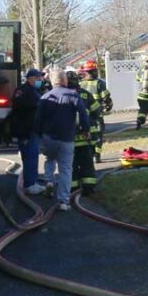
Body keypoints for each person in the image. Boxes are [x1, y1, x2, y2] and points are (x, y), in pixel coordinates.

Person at [33, 68, 90, 212]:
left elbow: (38, 119)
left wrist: (39, 135)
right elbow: (83, 115)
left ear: (52, 82)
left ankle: (49, 181)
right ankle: (64, 201)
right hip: (66, 138)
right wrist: (85, 130)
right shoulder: (73, 95)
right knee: (65, 169)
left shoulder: (45, 97)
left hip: (49, 137)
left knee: (49, 159)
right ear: (65, 81)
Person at [9, 68, 45, 195]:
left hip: (31, 129)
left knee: (32, 156)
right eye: (38, 77)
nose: (40, 80)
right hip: (27, 130)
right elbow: (25, 108)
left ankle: (32, 182)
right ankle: (30, 184)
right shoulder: (24, 91)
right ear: (31, 78)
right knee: (30, 156)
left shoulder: (32, 91)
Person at [68, 70, 99, 194]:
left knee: (71, 165)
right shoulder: (85, 94)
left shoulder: (62, 96)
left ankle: (73, 187)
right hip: (86, 137)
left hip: (70, 139)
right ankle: (89, 188)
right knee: (87, 163)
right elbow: (96, 112)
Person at [80, 59, 112, 161]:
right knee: (98, 134)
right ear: (94, 71)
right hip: (97, 113)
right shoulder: (99, 83)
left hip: (84, 115)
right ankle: (97, 156)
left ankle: (89, 155)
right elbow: (106, 97)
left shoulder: (80, 84)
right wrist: (109, 105)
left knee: (86, 134)